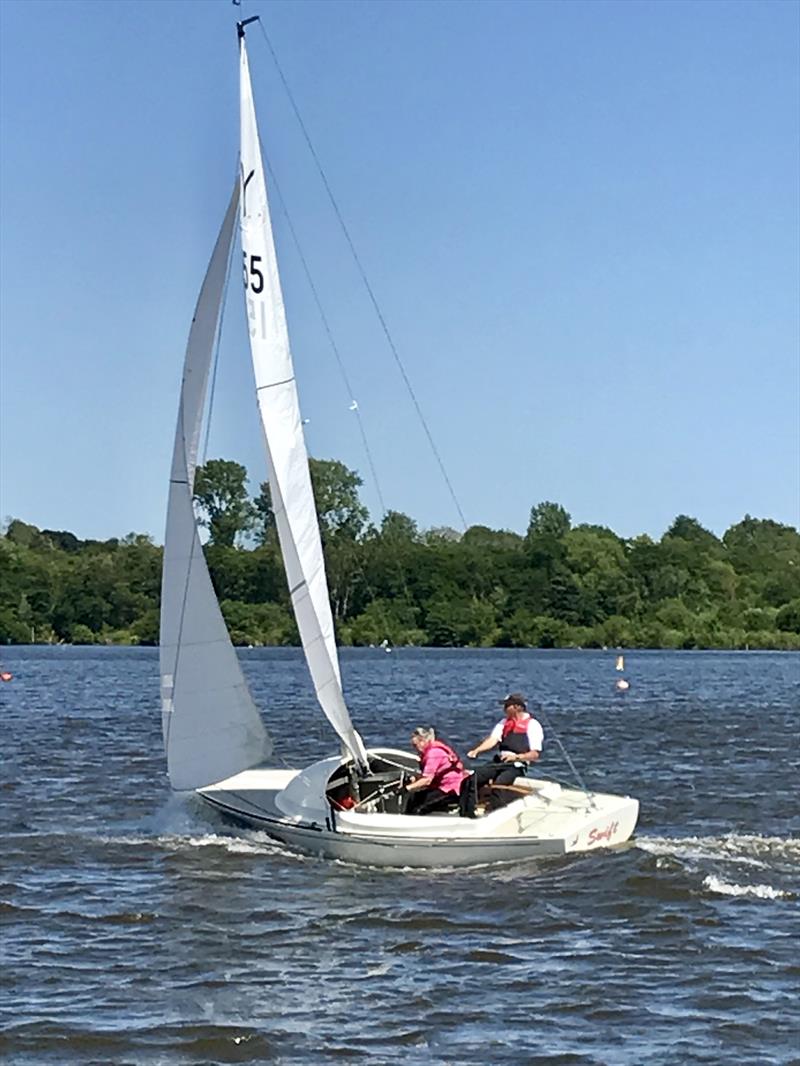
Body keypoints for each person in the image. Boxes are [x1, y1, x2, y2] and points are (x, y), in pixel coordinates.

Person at [459, 693, 543, 817]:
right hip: (500, 761)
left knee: (500, 784)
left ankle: (496, 814)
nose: (504, 709)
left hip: (516, 764)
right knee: (473, 778)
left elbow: (534, 754)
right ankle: (468, 813)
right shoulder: (504, 723)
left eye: (506, 706)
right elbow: (493, 740)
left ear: (516, 707)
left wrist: (516, 757)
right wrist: (477, 750)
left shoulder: (532, 725)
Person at [404, 726, 468, 815]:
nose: (415, 749)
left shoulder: (433, 754)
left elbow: (427, 780)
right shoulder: (429, 752)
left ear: (423, 741)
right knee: (413, 798)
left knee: (419, 808)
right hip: (439, 786)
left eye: (415, 745)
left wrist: (408, 788)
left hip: (450, 789)